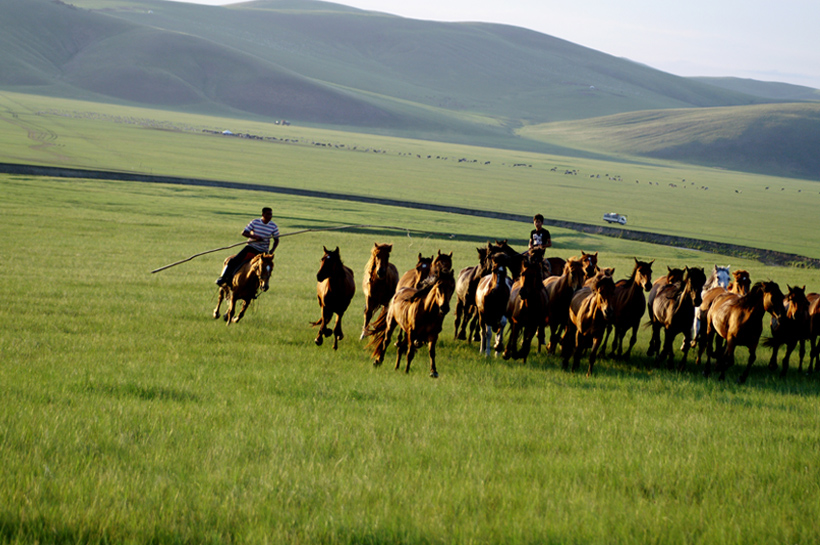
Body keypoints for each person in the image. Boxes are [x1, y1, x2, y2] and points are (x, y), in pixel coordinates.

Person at [216, 207, 280, 286]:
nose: (270, 216)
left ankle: (262, 285)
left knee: (266, 268)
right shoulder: (255, 222)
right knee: (233, 261)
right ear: (263, 214)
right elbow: (244, 232)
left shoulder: (273, 226)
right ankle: (223, 278)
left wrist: (272, 250)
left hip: (263, 251)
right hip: (251, 248)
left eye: (271, 214)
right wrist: (255, 237)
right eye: (268, 214)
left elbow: (276, 240)